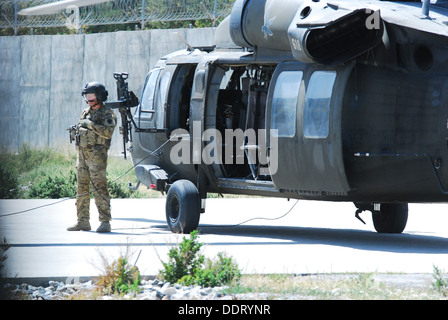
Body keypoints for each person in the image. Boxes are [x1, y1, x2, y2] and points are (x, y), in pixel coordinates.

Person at [67, 82, 117, 233]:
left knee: (99, 188)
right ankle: (82, 221)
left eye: (92, 96)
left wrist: (90, 125)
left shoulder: (108, 114)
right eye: (87, 96)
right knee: (81, 187)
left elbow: (107, 133)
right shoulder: (85, 112)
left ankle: (105, 222)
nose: (89, 99)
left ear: (100, 96)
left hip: (97, 156)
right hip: (82, 155)